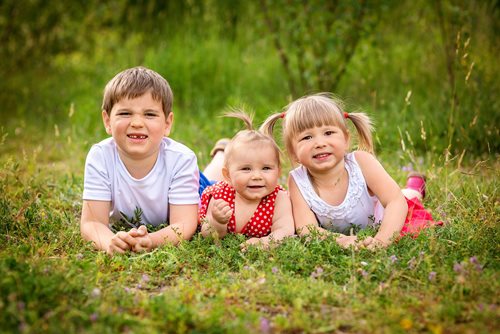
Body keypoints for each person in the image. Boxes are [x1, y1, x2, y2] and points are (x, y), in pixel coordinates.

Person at [261, 93, 441, 249]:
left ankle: (415, 187)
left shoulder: (361, 162)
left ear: (346, 139)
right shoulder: (297, 180)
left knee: (407, 197)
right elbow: (306, 229)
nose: (320, 143)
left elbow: (395, 202)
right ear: (294, 153)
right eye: (307, 137)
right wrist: (341, 240)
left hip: (382, 217)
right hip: (348, 234)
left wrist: (381, 240)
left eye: (329, 133)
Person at [81, 66, 200, 255]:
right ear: (107, 121)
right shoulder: (100, 156)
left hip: (197, 185)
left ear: (167, 124)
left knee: (217, 179)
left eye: (150, 114)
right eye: (125, 113)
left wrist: (151, 240)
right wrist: (109, 242)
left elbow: (184, 223)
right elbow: (92, 222)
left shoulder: (182, 160)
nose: (137, 123)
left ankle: (222, 152)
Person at [198, 111, 295, 250]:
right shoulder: (220, 196)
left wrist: (266, 242)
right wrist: (216, 221)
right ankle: (220, 153)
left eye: (266, 168)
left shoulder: (279, 198)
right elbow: (208, 234)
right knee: (210, 175)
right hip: (210, 184)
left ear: (279, 171)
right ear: (228, 176)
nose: (257, 176)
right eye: (246, 169)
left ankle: (224, 153)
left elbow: (285, 230)